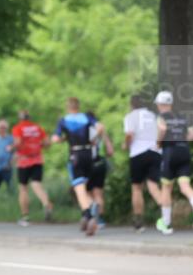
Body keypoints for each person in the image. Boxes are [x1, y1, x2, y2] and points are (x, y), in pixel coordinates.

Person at [52, 97, 103, 236]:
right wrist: (93, 139)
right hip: (89, 154)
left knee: (79, 188)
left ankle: (89, 214)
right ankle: (89, 208)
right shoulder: (86, 117)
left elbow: (55, 138)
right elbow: (100, 127)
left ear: (68, 107)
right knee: (84, 187)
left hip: (75, 154)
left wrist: (63, 138)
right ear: (78, 106)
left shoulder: (64, 120)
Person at [154, 91, 193, 235]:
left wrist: (158, 143)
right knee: (185, 186)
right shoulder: (182, 117)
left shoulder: (162, 116)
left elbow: (162, 129)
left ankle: (166, 223)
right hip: (184, 151)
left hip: (170, 152)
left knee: (166, 188)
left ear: (160, 104)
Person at [124, 95, 162, 232]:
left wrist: (126, 145)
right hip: (155, 152)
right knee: (153, 186)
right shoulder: (154, 115)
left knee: (137, 188)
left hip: (138, 153)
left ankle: (138, 220)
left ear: (132, 104)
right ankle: (166, 213)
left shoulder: (130, 116)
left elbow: (130, 134)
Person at [11, 109, 54, 226]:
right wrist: (38, 145)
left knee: (23, 188)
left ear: (20, 118)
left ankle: (25, 216)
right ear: (29, 117)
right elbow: (47, 143)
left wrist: (11, 148)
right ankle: (46, 203)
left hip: (23, 161)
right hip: (37, 160)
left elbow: (18, 142)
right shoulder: (37, 128)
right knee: (36, 184)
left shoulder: (18, 128)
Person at [85, 111, 115, 229]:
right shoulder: (102, 131)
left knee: (85, 192)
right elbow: (110, 151)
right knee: (98, 193)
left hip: (87, 163)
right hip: (100, 163)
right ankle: (100, 219)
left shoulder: (84, 130)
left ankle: (90, 214)